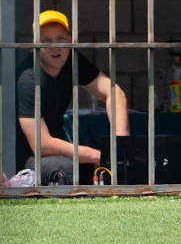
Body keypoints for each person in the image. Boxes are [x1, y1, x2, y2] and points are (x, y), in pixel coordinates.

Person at [16, 10, 129, 185]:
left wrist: (120, 148)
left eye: (61, 39)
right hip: (23, 161)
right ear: (35, 44)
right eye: (46, 41)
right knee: (63, 167)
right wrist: (97, 155)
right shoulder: (27, 79)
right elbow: (41, 144)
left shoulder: (72, 60)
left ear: (70, 40)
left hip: (56, 152)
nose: (56, 46)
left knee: (129, 162)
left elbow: (114, 92)